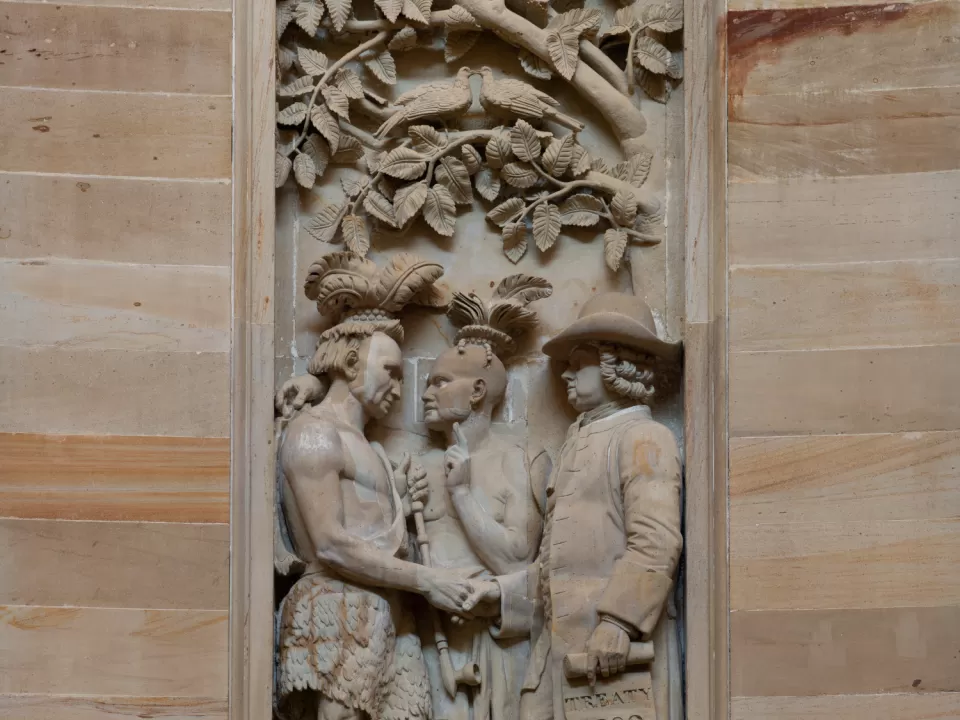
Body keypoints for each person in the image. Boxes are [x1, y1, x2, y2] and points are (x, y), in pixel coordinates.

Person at [275, 253, 480, 720]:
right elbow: (331, 545)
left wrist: (403, 507)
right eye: (389, 371)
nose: (397, 386)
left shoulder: (373, 451)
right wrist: (429, 580)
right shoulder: (314, 432)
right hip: (336, 605)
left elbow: (377, 540)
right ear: (350, 362)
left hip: (390, 615)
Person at [464, 292, 683, 720]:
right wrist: (499, 594)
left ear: (615, 364)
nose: (565, 373)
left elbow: (656, 541)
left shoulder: (643, 436)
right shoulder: (575, 443)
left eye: (578, 362)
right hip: (558, 654)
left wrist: (619, 622)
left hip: (613, 658)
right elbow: (556, 562)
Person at [413, 275, 552, 720]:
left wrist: (462, 494)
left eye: (439, 382)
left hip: (502, 651)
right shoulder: (416, 468)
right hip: (433, 651)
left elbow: (516, 563)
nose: (425, 393)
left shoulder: (522, 461)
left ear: (477, 391)